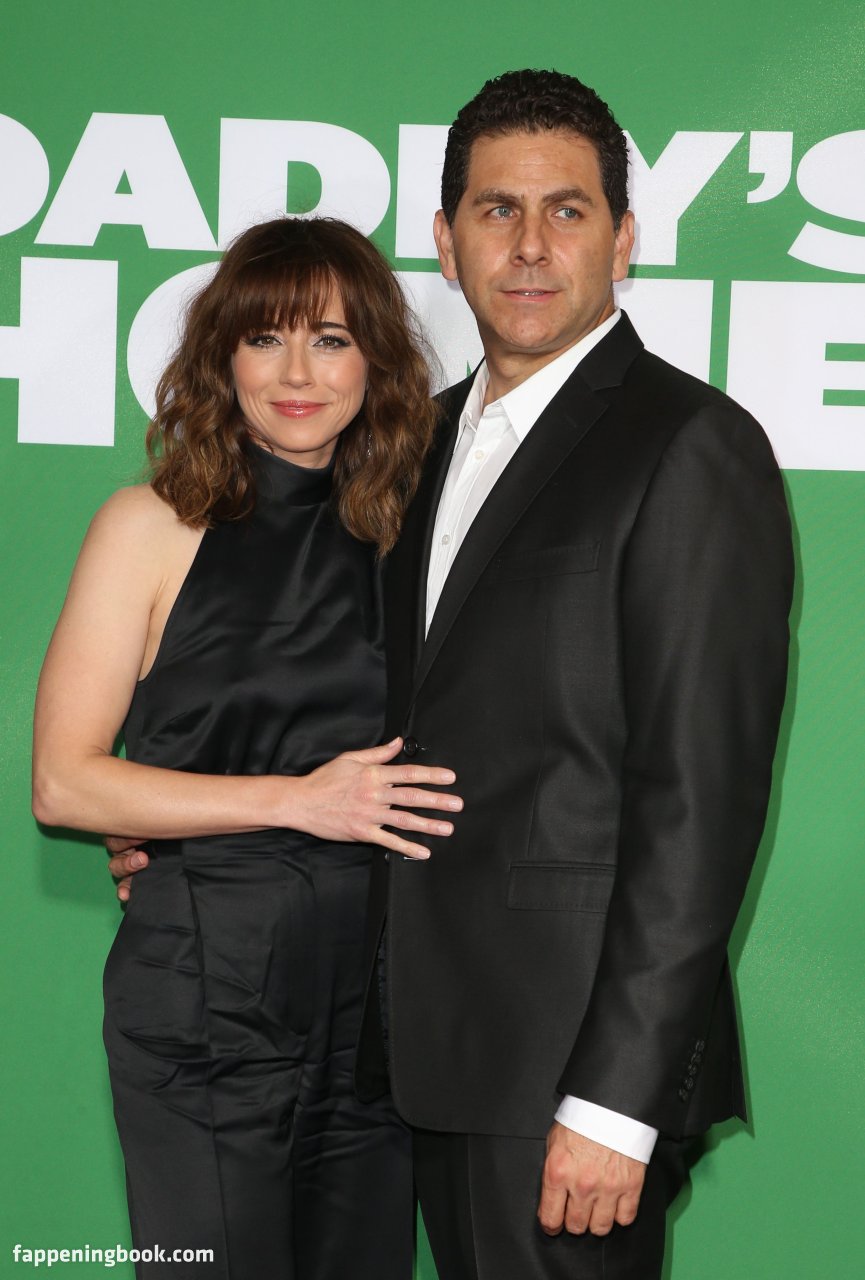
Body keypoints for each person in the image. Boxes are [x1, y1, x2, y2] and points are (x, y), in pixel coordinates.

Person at [346, 69, 792, 1279]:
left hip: (565, 1071)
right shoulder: (408, 442)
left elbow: (698, 799)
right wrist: (197, 827)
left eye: (567, 210)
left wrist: (614, 1099)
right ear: (445, 243)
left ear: (623, 239)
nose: (530, 245)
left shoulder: (691, 444)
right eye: (497, 210)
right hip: (398, 1043)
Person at [32, 216, 464, 1280]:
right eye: (264, 338)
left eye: (330, 339)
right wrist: (295, 800)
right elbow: (64, 781)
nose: (296, 373)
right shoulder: (149, 524)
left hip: (378, 1010)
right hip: (203, 999)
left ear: (377, 358)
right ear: (222, 358)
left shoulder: (418, 534)